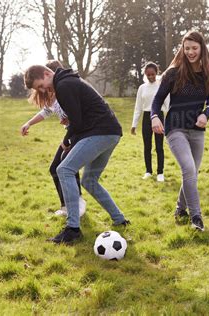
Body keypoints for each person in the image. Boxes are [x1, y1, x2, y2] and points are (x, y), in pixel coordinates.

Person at [24, 64, 130, 244]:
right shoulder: (67, 81)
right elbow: (77, 117)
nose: (43, 90)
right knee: (88, 180)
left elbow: (77, 122)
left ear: (47, 73)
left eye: (41, 85)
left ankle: (73, 229)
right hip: (111, 132)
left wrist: (66, 140)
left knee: (63, 169)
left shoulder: (64, 85)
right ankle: (119, 219)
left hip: (100, 132)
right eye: (39, 89)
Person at [151, 31, 209, 231]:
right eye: (186, 48)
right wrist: (155, 117)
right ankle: (196, 217)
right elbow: (157, 101)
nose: (190, 52)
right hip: (175, 128)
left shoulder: (207, 73)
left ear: (201, 49)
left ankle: (180, 209)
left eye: (194, 48)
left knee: (192, 173)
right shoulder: (173, 73)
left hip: (197, 130)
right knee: (188, 170)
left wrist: (206, 114)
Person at [21, 60, 86, 217]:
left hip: (76, 133)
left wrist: (68, 121)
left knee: (66, 167)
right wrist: (29, 123)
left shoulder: (64, 88)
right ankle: (66, 205)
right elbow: (46, 112)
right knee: (56, 168)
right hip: (70, 132)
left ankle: (78, 203)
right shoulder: (53, 94)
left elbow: (79, 113)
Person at [131, 62, 169, 182]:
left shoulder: (162, 85)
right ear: (145, 74)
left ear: (156, 73)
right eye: (148, 75)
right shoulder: (142, 88)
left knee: (159, 146)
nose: (151, 77)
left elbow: (167, 105)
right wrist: (134, 125)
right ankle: (148, 171)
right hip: (147, 117)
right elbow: (138, 107)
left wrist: (168, 122)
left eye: (152, 74)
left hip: (159, 116)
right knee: (147, 146)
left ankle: (160, 172)